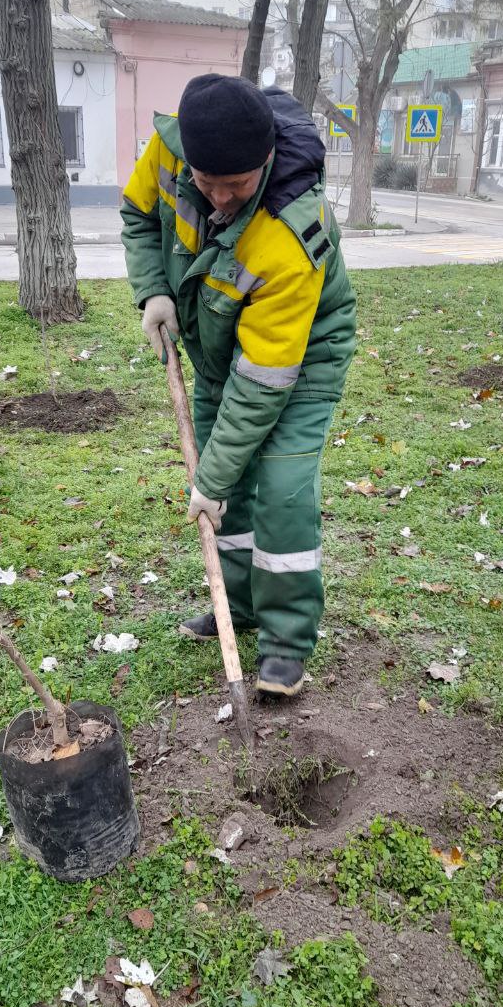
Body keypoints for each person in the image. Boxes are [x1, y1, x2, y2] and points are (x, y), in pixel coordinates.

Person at [120, 74, 356, 698]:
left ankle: (284, 644)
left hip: (299, 362)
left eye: (239, 185)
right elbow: (139, 214)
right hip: (218, 347)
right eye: (208, 182)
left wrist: (213, 480)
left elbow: (263, 385)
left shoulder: (288, 232)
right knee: (226, 491)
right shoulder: (173, 150)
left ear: (267, 160)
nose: (221, 198)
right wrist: (155, 291)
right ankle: (241, 605)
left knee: (276, 490)